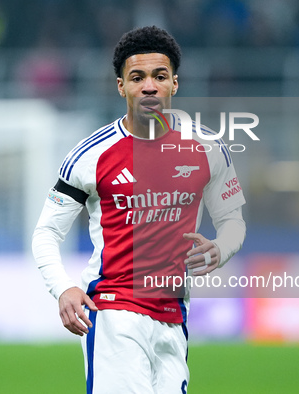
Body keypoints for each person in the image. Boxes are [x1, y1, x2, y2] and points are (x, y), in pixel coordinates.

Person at [32, 25, 246, 394]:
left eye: (159, 76)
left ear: (174, 84)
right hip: (113, 310)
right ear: (122, 86)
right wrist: (63, 288)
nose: (149, 86)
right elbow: (47, 231)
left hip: (173, 316)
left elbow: (233, 223)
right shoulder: (91, 155)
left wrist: (220, 248)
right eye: (138, 77)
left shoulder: (207, 148)